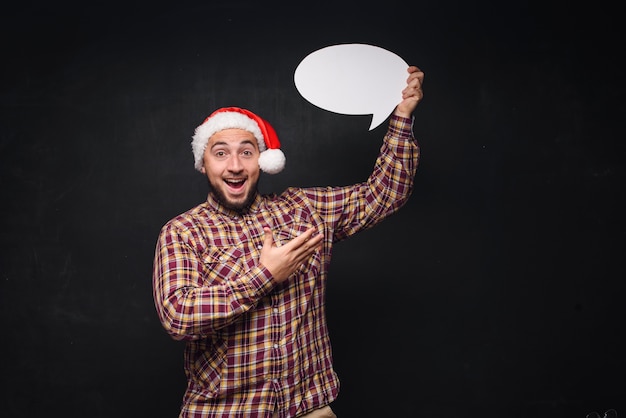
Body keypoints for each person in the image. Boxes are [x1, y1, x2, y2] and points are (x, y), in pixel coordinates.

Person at [152, 65, 425, 418]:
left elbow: (385, 193)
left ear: (262, 161)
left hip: (309, 408)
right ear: (203, 164)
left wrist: (402, 116)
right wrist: (266, 275)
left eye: (246, 152)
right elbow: (179, 314)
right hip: (227, 412)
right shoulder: (184, 232)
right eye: (220, 153)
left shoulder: (304, 210)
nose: (234, 165)